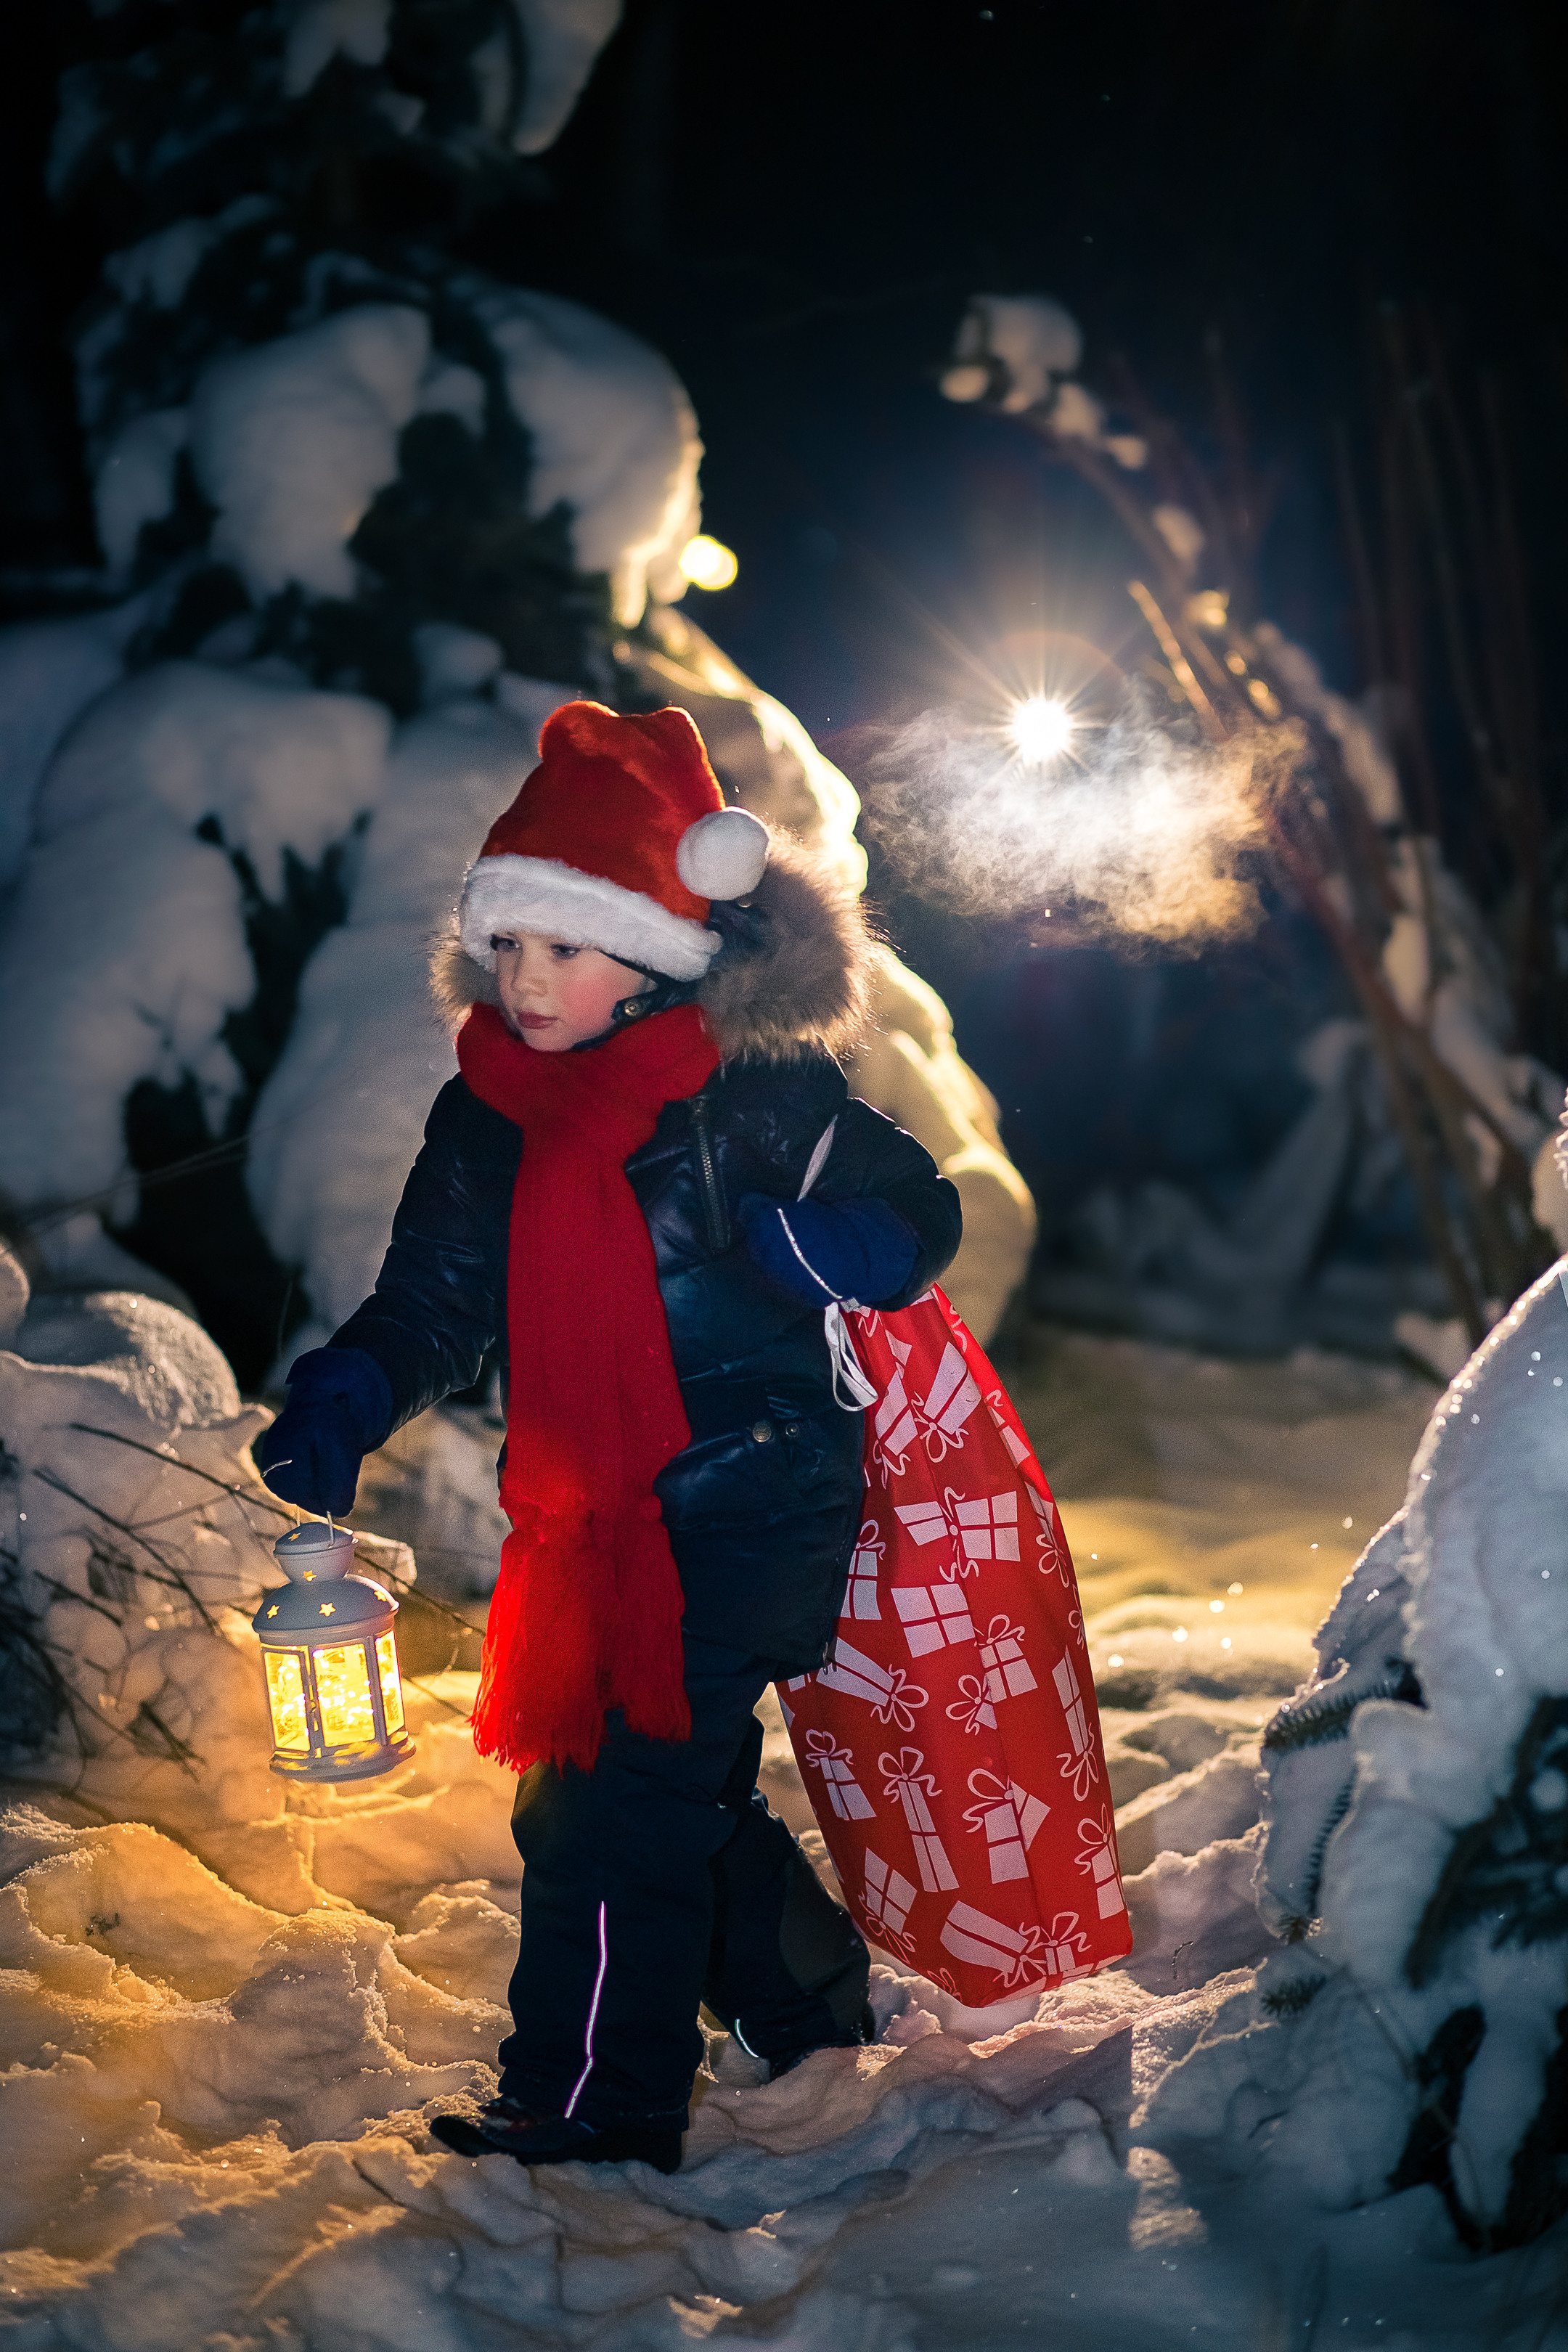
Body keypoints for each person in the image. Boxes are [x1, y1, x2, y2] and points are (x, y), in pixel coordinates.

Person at [256, 700, 960, 2173]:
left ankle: (595, 2099)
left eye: (559, 945)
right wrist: (351, 1393)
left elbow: (916, 1214)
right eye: (506, 943)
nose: (524, 978)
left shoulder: (754, 1094)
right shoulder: (488, 1118)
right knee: (663, 1791)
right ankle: (810, 1999)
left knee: (600, 1806)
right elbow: (435, 1304)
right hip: (590, 1517)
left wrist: (835, 1244)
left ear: (651, 954)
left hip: (754, 1500)